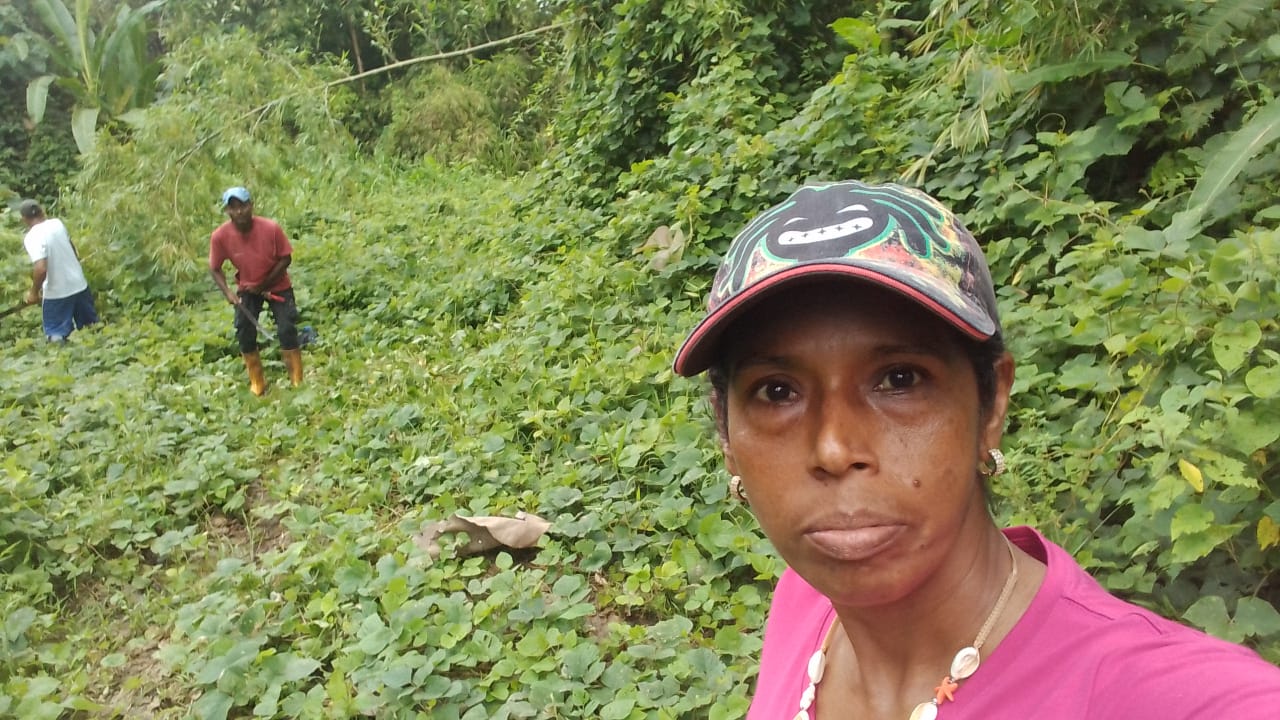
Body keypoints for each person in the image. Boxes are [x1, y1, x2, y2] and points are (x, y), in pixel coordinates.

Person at [672, 180, 1280, 719]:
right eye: (777, 392)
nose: (834, 448)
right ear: (726, 434)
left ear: (991, 406)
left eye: (900, 379)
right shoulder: (807, 604)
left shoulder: (1172, 697)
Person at [209, 186, 303, 395]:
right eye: (233, 208)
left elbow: (285, 258)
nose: (239, 212)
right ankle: (257, 382)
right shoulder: (220, 236)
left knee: (286, 328)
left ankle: (297, 380)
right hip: (248, 288)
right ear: (227, 211)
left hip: (277, 285)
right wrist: (228, 293)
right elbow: (214, 268)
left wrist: (264, 284)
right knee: (244, 328)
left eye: (242, 206)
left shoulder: (270, 228)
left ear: (251, 205)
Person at [16, 199, 99, 341]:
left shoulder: (32, 237)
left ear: (24, 218)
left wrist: (33, 293)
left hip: (57, 293)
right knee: (91, 327)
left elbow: (41, 268)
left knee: (56, 333)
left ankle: (60, 353)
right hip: (79, 284)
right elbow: (73, 250)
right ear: (42, 211)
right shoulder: (57, 224)